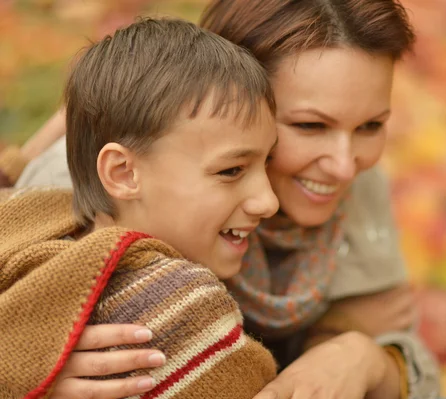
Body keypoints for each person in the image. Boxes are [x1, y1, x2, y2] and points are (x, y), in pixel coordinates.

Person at [2, 1, 441, 398]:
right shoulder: (96, 189)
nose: (346, 165)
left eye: (371, 126)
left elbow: (411, 359)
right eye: (310, 126)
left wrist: (365, 358)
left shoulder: (352, 183)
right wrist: (24, 366)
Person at [0, 17, 282, 398]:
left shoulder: (29, 219)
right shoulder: (179, 305)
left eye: (267, 162)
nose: (269, 201)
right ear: (123, 173)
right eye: (231, 170)